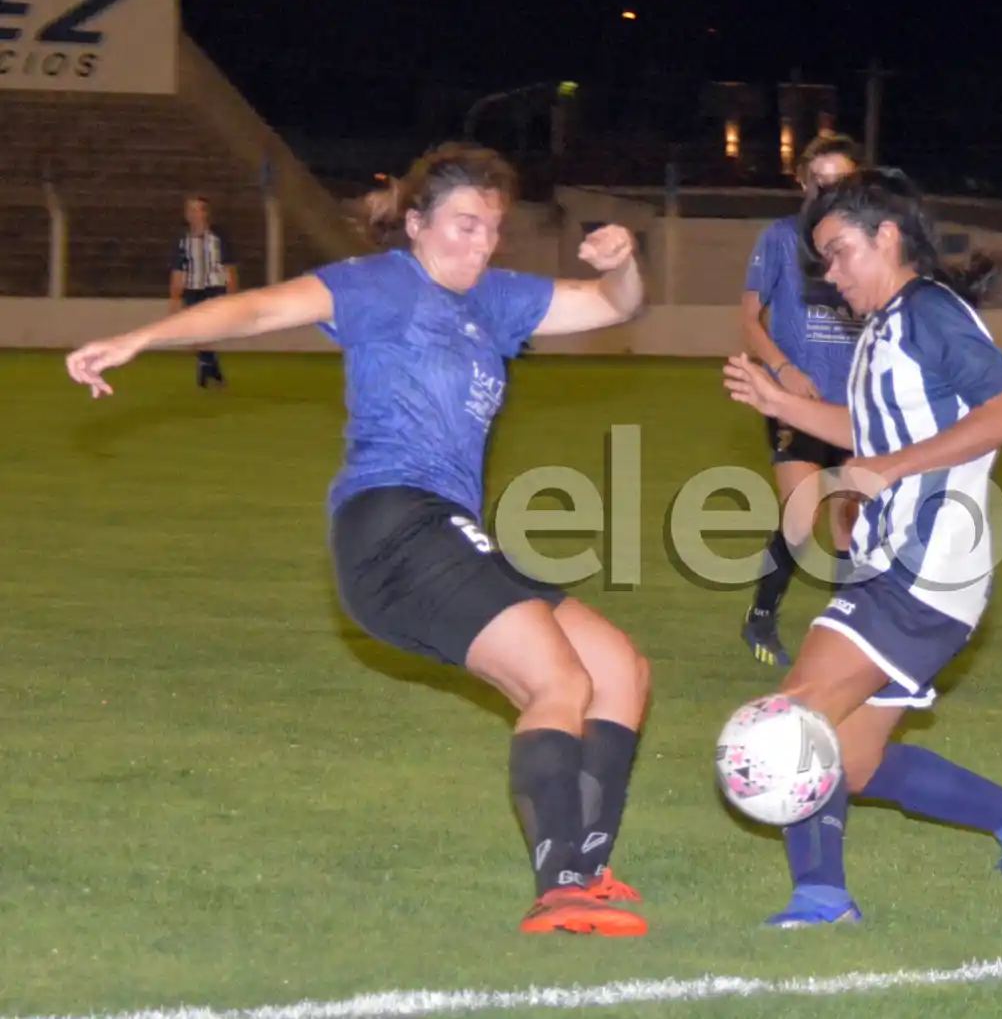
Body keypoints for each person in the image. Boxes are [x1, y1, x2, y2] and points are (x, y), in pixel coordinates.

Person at [67, 142, 656, 935]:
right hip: (391, 527)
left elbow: (614, 305)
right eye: (461, 225)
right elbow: (260, 307)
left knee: (617, 665)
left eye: (490, 230)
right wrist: (143, 337)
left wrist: (623, 261)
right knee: (558, 678)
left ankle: (589, 861)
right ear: (415, 224)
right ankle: (561, 888)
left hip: (446, 531)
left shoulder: (498, 299)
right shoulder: (380, 284)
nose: (477, 244)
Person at [724, 168, 1002, 928]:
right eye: (823, 260)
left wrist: (890, 468)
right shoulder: (881, 328)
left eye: (843, 252)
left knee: (794, 718)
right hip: (898, 563)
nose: (833, 274)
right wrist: (784, 405)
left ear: (888, 236)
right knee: (854, 761)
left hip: (927, 565)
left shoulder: (929, 311)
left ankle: (820, 898)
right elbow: (878, 434)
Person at [739, 134, 867, 667]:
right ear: (803, 180)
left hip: (856, 408)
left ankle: (846, 631)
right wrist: (785, 371)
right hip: (796, 403)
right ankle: (761, 617)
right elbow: (749, 320)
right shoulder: (780, 239)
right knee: (801, 513)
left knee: (850, 519)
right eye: (821, 179)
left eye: (841, 181)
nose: (829, 189)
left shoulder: (868, 244)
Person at [170, 195, 239, 388]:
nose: (194, 214)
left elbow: (229, 267)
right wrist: (175, 297)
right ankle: (209, 365)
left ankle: (207, 364)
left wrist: (234, 295)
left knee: (209, 329)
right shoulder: (182, 241)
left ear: (206, 213)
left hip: (215, 286)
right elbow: (177, 269)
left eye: (198, 209)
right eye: (190, 210)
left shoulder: (219, 238)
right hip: (192, 288)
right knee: (196, 331)